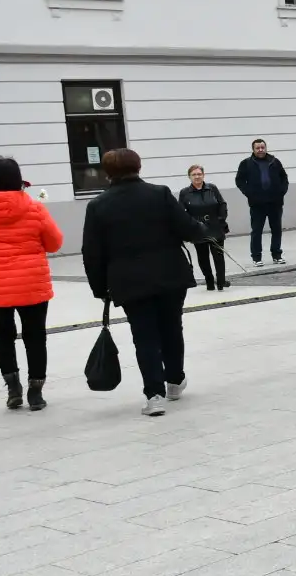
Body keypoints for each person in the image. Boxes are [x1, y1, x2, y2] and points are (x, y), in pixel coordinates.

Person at [82, 149, 214, 416]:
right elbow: (187, 228)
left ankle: (154, 394)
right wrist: (203, 230)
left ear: (108, 173)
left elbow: (92, 252)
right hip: (170, 274)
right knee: (171, 328)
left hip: (128, 281)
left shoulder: (98, 206)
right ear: (138, 167)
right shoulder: (160, 194)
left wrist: (99, 288)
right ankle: (175, 380)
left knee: (144, 336)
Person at [0, 157, 63, 410]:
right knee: (35, 336)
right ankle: (35, 393)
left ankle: (13, 389)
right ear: (18, 180)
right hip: (31, 285)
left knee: (2, 337)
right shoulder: (35, 208)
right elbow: (54, 243)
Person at [235, 138, 289, 266]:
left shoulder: (275, 162)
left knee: (276, 229)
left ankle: (277, 255)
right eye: (257, 148)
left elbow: (284, 178)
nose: (260, 150)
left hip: (275, 203)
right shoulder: (246, 164)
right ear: (253, 149)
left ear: (266, 148)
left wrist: (281, 191)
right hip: (257, 204)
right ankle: (256, 257)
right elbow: (240, 181)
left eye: (262, 147)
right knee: (256, 230)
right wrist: (250, 194)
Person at [179, 165, 230, 291]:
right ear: (189, 177)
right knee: (203, 258)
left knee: (218, 256)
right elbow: (181, 212)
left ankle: (221, 282)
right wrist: (190, 225)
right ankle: (209, 281)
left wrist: (220, 219)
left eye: (199, 174)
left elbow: (222, 204)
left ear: (203, 175)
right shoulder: (185, 192)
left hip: (215, 226)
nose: (197, 177)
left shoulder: (212, 188)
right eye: (194, 174)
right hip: (198, 229)